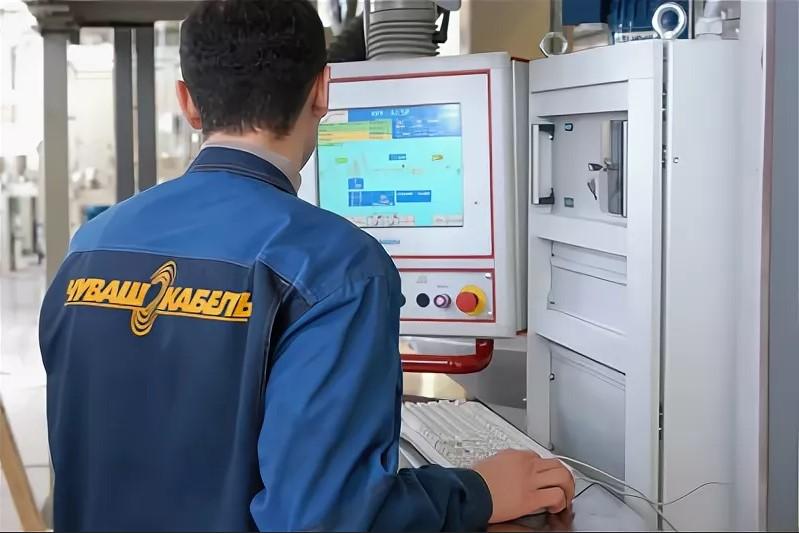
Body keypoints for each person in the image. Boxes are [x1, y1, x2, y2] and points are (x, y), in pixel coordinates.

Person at [38, 0, 574, 531]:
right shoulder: (339, 268)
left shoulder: (90, 246)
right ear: (322, 90)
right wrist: (477, 492)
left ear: (188, 103)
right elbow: (322, 518)